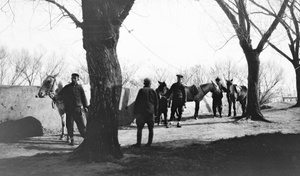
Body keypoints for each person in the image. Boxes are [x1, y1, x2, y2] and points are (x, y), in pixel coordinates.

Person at [60, 73, 88, 145]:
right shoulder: (67, 87)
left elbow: (83, 98)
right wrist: (54, 97)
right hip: (69, 110)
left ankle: (86, 139)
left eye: (75, 78)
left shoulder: (80, 88)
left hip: (78, 109)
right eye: (73, 78)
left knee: (81, 125)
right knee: (69, 125)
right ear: (71, 79)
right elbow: (60, 95)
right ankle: (71, 139)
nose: (74, 79)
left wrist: (86, 106)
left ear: (78, 79)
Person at [133, 78, 158, 148]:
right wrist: (156, 113)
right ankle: (149, 144)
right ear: (150, 84)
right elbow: (156, 103)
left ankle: (138, 144)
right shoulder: (153, 91)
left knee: (139, 128)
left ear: (144, 83)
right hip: (150, 112)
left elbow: (137, 102)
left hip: (141, 113)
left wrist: (135, 112)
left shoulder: (141, 91)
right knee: (151, 129)